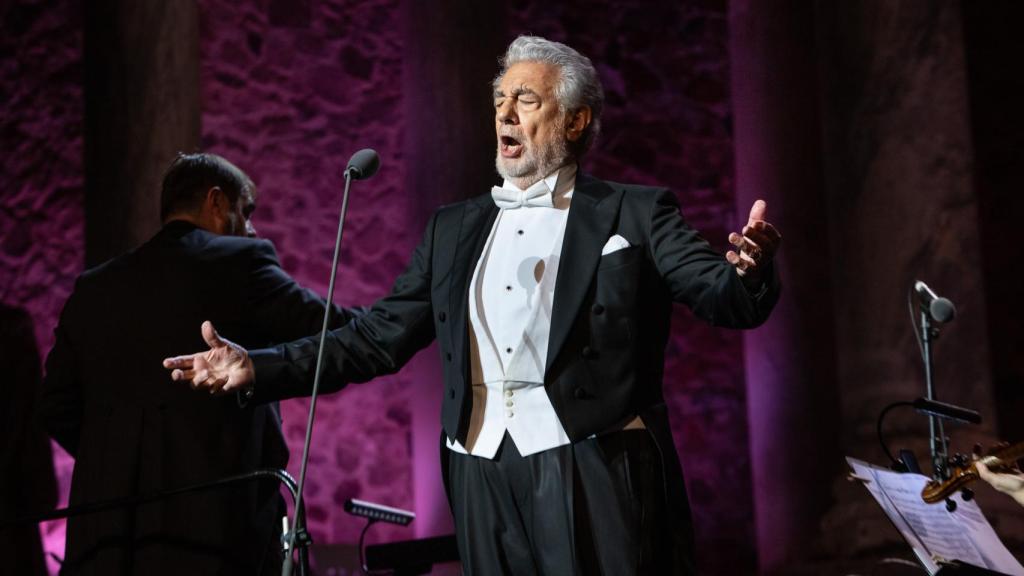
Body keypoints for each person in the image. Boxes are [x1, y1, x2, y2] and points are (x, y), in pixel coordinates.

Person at [165, 36, 781, 575]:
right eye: (499, 101)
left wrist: (749, 270)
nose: (505, 114)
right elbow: (378, 336)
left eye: (527, 100)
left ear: (574, 121)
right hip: (477, 467)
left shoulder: (636, 211)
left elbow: (720, 294)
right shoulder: (453, 228)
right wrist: (260, 367)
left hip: (592, 461)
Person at [40, 153, 360, 575]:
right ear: (215, 202)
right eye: (245, 212)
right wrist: (408, 311)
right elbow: (338, 331)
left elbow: (54, 407)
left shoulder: (92, 288)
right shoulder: (240, 263)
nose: (251, 228)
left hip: (106, 542)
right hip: (214, 537)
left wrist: (115, 461)